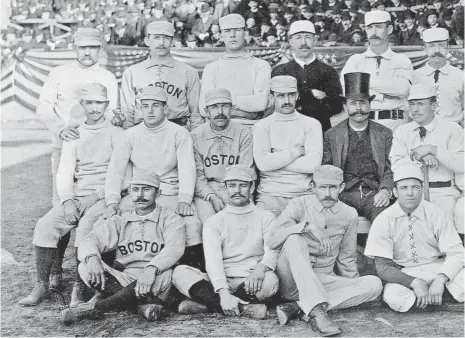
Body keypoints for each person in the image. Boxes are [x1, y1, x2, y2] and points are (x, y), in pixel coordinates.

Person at [19, 83, 124, 307]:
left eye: (99, 103)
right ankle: (42, 284)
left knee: (86, 227)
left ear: (107, 105)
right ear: (82, 105)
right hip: (78, 195)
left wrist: (95, 197)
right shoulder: (75, 134)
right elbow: (64, 172)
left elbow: (122, 175)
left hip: (106, 195)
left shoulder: (118, 134)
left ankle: (80, 286)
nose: (95, 108)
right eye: (90, 102)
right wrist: (67, 201)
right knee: (46, 225)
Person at [35, 27, 119, 292]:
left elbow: (112, 110)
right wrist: (60, 128)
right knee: (62, 205)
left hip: (101, 145)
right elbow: (44, 107)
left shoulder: (106, 76)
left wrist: (118, 121)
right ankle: (55, 272)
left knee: (92, 215)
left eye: (93, 48)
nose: (87, 52)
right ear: (74, 47)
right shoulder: (59, 73)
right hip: (67, 142)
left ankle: (84, 276)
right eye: (82, 47)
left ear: (99, 49)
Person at [267, 165, 382, 336]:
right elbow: (272, 240)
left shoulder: (349, 214)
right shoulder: (299, 204)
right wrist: (306, 227)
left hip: (323, 280)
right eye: (322, 187)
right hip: (292, 280)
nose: (327, 193)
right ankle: (315, 311)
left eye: (333, 187)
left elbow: (347, 257)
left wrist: (353, 287)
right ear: (313, 187)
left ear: (341, 188)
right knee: (294, 239)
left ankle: (300, 307)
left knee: (374, 284)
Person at [60, 170, 186, 324]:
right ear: (130, 192)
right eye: (135, 189)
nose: (140, 194)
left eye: (146, 189)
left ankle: (96, 308)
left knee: (168, 274)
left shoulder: (171, 219)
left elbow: (175, 248)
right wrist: (93, 258)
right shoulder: (121, 219)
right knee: (85, 267)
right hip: (125, 278)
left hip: (157, 277)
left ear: (158, 193)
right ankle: (142, 306)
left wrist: (151, 269)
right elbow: (90, 240)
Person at [104, 86, 203, 271]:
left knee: (191, 225)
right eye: (145, 106)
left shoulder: (179, 133)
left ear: (166, 109)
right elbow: (115, 170)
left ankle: (187, 280)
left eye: (155, 105)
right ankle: (109, 279)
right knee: (109, 221)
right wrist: (112, 201)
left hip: (171, 194)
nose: (149, 111)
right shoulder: (130, 135)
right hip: (140, 195)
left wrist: (185, 199)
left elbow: (187, 168)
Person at [172, 165, 279, 319]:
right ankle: (242, 307)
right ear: (225, 187)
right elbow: (213, 261)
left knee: (271, 280)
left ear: (252, 186)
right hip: (219, 281)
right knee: (179, 273)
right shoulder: (214, 221)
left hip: (249, 279)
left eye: (243, 185)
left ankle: (207, 305)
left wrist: (261, 269)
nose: (237, 190)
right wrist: (223, 292)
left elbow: (273, 250)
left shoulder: (266, 217)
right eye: (232, 185)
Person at [364, 163, 464, 313]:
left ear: (422, 189)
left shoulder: (436, 212)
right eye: (404, 188)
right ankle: (437, 298)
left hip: (437, 267)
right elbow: (383, 267)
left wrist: (440, 280)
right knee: (393, 297)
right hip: (407, 272)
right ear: (395, 192)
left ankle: (432, 296)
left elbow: (456, 252)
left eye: (415, 187)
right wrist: (414, 283)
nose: (410, 193)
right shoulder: (384, 219)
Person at [323, 72, 394, 222]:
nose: (358, 108)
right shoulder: (332, 135)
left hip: (374, 194)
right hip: (343, 195)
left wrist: (386, 190)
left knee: (383, 220)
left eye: (362, 102)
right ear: (345, 106)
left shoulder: (384, 134)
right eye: (353, 103)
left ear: (370, 104)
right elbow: (327, 169)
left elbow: (390, 167)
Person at [390, 83, 463, 227]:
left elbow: (461, 164)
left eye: (420, 104)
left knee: (444, 239)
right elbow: (397, 165)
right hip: (412, 195)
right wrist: (419, 156)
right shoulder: (402, 131)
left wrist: (433, 150)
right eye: (412, 104)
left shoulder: (452, 129)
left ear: (434, 106)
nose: (415, 109)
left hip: (444, 194)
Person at [253, 75, 323, 216]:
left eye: (291, 95)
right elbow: (263, 164)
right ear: (272, 98)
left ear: (297, 95)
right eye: (281, 96)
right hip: (270, 196)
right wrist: (296, 152)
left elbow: (312, 165)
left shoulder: (311, 124)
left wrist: (275, 158)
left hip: (304, 195)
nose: (287, 101)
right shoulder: (262, 126)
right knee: (266, 232)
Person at [119, 21, 203, 130]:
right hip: (143, 131)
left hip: (178, 130)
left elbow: (195, 113)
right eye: (157, 38)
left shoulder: (188, 72)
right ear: (147, 41)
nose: (161, 43)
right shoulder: (132, 72)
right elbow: (127, 113)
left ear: (172, 41)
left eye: (167, 38)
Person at [340, 10, 413, 131]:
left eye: (378, 27)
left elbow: (402, 90)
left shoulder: (402, 60)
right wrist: (387, 92)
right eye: (369, 27)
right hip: (363, 124)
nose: (373, 32)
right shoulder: (355, 60)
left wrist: (362, 81)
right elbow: (349, 93)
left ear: (389, 29)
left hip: (396, 124)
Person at [199, 14, 272, 130]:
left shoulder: (261, 65)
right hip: (219, 131)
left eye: (237, 30)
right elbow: (204, 108)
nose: (232, 35)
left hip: (252, 129)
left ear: (245, 33)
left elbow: (260, 103)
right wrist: (245, 102)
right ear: (221, 35)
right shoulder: (211, 68)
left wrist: (221, 101)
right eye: (227, 31)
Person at [192, 88, 253, 223]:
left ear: (232, 109)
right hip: (208, 190)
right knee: (209, 222)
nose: (220, 112)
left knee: (242, 221)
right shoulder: (196, 136)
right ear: (206, 111)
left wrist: (232, 196)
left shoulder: (244, 133)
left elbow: (246, 172)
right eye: (214, 107)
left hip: (237, 188)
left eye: (224, 106)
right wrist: (212, 196)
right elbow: (197, 176)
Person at [271, 21, 343, 132]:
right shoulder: (281, 71)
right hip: (287, 130)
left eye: (308, 37)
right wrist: (311, 95)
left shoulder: (328, 71)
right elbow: (277, 103)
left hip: (320, 131)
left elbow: (337, 105)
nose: (303, 42)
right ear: (291, 41)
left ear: (315, 40)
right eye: (298, 37)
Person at [412, 28, 464, 126]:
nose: (437, 50)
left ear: (448, 48)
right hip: (423, 133)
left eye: (441, 45)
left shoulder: (460, 76)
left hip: (453, 132)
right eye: (431, 46)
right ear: (425, 49)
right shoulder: (415, 77)